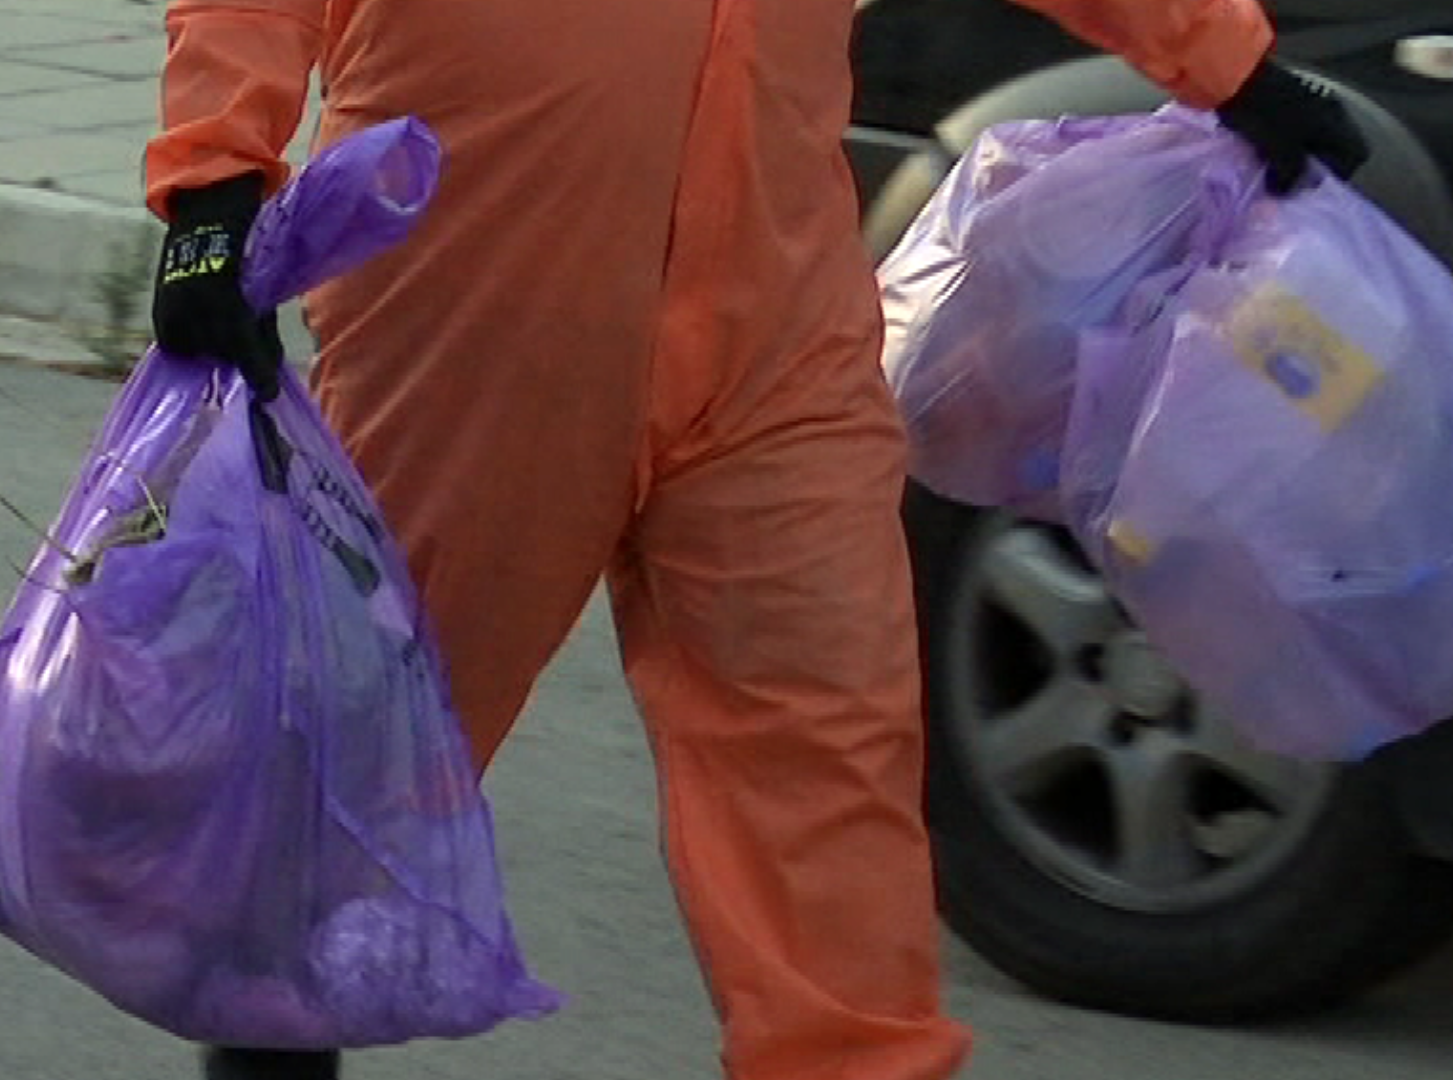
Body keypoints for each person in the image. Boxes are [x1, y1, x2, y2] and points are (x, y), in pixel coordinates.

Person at [147, 1, 1363, 1077]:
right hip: (475, 305)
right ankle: (273, 1030)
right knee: (373, 726)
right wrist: (214, 180)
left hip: (773, 331)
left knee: (826, 741)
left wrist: (1226, 61)